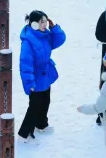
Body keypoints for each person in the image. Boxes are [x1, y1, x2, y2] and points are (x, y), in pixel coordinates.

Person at [18, 10, 66, 142]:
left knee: (45, 101)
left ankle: (41, 125)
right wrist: (29, 83)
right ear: (34, 24)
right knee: (34, 106)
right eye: (42, 22)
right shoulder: (28, 41)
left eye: (45, 21)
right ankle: (24, 134)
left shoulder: (45, 35)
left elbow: (60, 39)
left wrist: (54, 27)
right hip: (36, 78)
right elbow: (25, 64)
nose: (44, 24)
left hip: (45, 76)